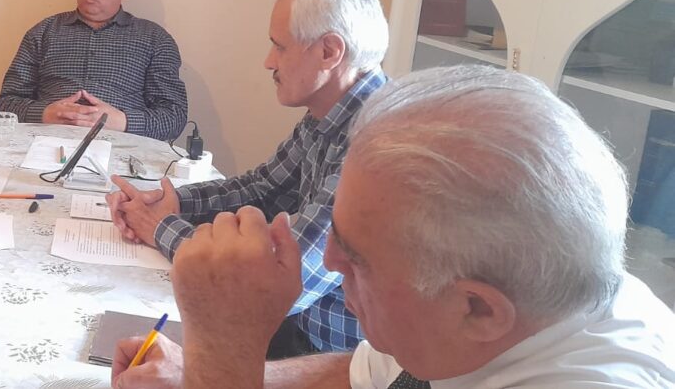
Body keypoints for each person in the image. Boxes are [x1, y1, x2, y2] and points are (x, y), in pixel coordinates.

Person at [112, 65, 675, 388]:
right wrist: (195, 372)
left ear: (478, 309)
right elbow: (362, 375)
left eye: (357, 257)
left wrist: (221, 356)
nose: (327, 261)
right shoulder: (486, 311)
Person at [108, 0, 388, 356]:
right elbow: (264, 187)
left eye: (280, 47)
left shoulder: (375, 145)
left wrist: (158, 227)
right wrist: (174, 202)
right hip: (295, 332)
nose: (268, 62)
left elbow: (278, 284)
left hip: (332, 359)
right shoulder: (330, 111)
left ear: (329, 52)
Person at [0, 0, 188, 142]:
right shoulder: (43, 32)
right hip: (46, 145)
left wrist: (122, 121)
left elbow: (174, 117)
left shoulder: (155, 40)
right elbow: (5, 105)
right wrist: (44, 114)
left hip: (120, 151)